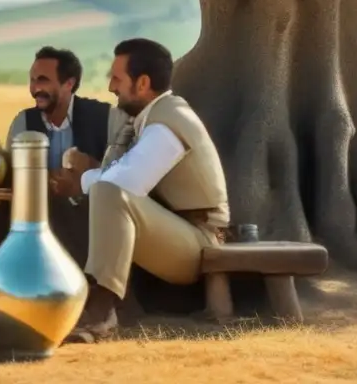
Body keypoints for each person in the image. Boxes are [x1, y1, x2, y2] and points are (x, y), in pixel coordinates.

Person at [55, 38, 230, 342]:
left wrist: (79, 182)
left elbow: (125, 183)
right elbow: (124, 173)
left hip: (198, 243)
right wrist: (90, 171)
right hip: (176, 233)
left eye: (117, 79)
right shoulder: (150, 118)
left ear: (143, 82)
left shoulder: (168, 123)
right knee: (97, 194)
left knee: (106, 191)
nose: (111, 86)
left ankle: (101, 312)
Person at [0, 46, 127, 266]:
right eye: (32, 80)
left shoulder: (108, 117)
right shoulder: (23, 123)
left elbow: (126, 170)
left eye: (43, 80)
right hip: (36, 218)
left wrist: (91, 169)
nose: (35, 88)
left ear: (69, 83)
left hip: (90, 222)